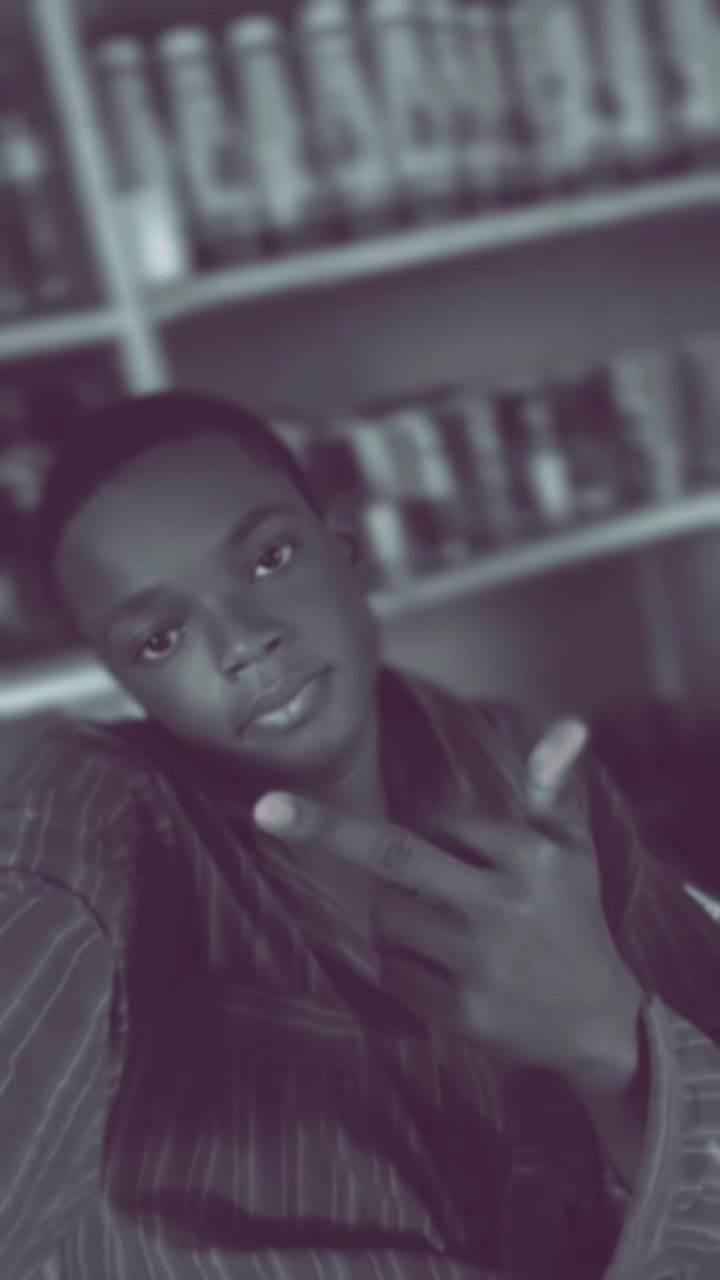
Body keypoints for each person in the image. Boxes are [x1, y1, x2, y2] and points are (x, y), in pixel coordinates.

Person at [2, 389, 720, 1280]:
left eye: (268, 559)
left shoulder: (527, 776)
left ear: (347, 554)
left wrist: (606, 1040)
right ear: (125, 684)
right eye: (159, 639)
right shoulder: (92, 819)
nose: (244, 642)